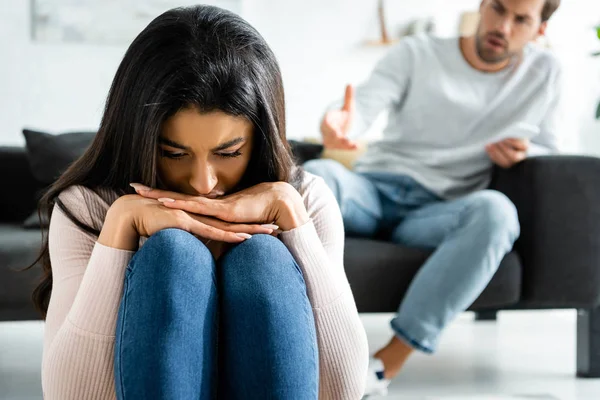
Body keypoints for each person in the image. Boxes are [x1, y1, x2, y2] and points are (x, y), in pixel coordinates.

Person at [30, 5, 368, 399]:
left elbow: (343, 390)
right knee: (173, 254)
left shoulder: (305, 198)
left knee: (262, 258)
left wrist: (294, 220)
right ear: (141, 138)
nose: (202, 183)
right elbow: (71, 395)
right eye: (174, 153)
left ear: (258, 141)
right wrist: (119, 231)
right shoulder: (90, 207)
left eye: (228, 153)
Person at [304, 0, 562, 396]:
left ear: (539, 29)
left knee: (497, 212)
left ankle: (383, 364)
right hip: (372, 189)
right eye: (498, 9)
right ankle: (306, 343)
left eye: (521, 19)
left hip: (438, 212)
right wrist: (338, 122)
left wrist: (527, 153)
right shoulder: (418, 51)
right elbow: (361, 107)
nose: (503, 26)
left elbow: (550, 149)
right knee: (317, 177)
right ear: (482, 5)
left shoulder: (543, 73)